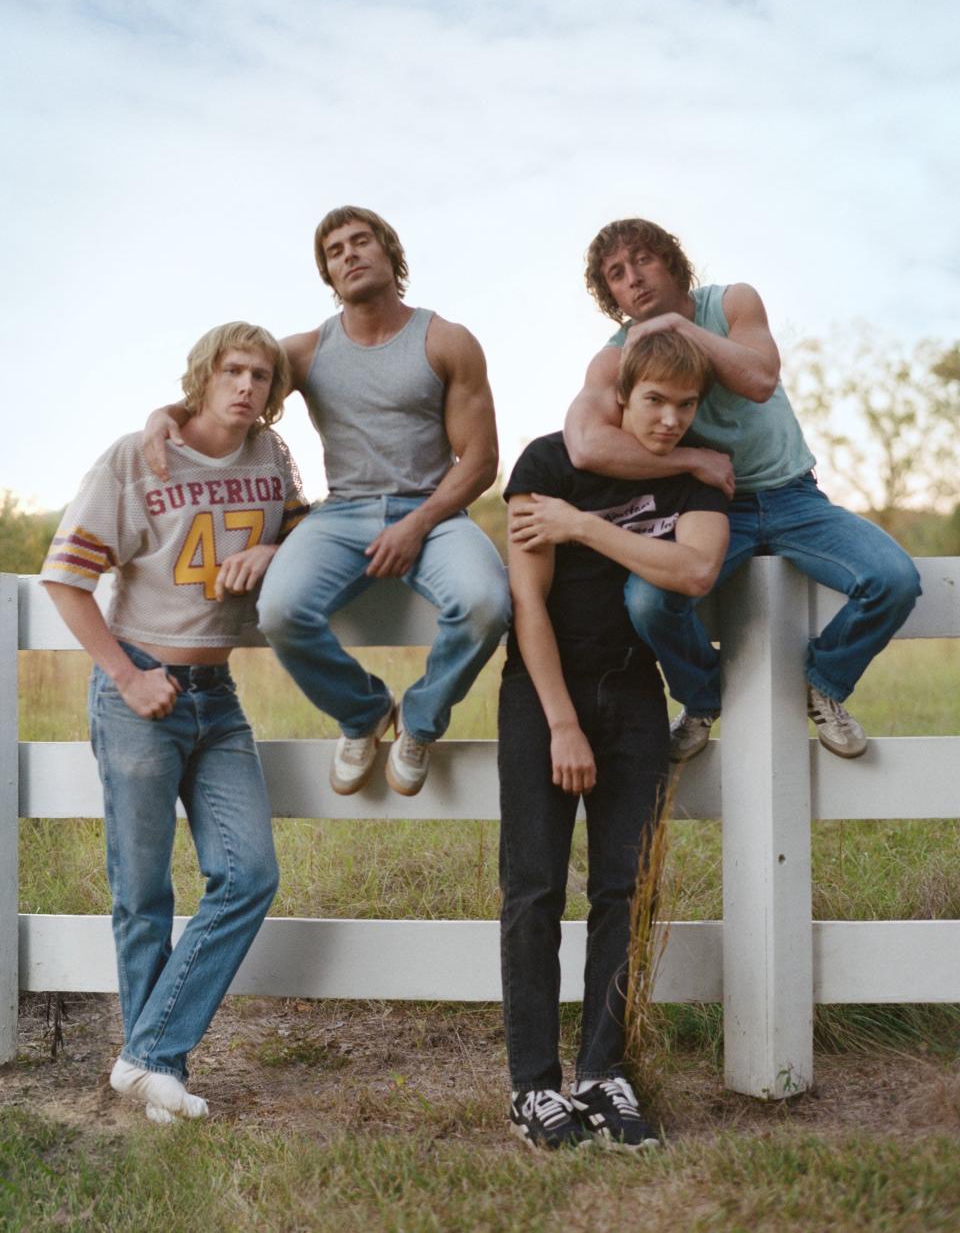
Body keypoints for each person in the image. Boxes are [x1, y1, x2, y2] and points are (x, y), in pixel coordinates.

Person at [145, 207, 510, 797]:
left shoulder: (446, 340)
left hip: (436, 512)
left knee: (487, 603)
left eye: (360, 242)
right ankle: (365, 712)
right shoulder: (309, 351)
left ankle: (418, 721)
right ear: (329, 275)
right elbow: (231, 385)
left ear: (390, 253)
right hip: (342, 514)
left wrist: (416, 525)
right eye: (334, 251)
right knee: (281, 612)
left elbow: (483, 462)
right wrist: (166, 414)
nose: (349, 254)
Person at [42, 322, 308, 1122]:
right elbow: (65, 577)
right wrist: (126, 675)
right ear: (201, 377)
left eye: (261, 375)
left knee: (250, 872)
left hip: (217, 696)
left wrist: (277, 549)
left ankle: (145, 1053)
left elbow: (302, 525)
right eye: (232, 370)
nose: (247, 386)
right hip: (139, 694)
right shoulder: (139, 454)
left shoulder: (272, 457)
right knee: (143, 892)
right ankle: (162, 1072)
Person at [565, 218, 922, 762]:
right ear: (609, 292)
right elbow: (587, 446)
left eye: (643, 260)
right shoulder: (617, 356)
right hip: (706, 506)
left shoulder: (732, 303)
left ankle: (824, 682)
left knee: (893, 579)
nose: (633, 278)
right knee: (649, 601)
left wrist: (679, 329)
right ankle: (702, 700)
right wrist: (692, 458)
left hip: (793, 495)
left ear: (671, 262)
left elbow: (759, 380)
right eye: (616, 274)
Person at [500, 329, 729, 1149]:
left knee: (623, 891)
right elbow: (529, 604)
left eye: (684, 405)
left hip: (637, 693)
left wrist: (582, 527)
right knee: (533, 890)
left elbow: (694, 572)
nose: (670, 420)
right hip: (544, 690)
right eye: (654, 402)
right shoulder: (546, 464)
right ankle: (532, 1086)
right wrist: (561, 720)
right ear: (620, 397)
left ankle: (604, 1072)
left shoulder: (699, 475)